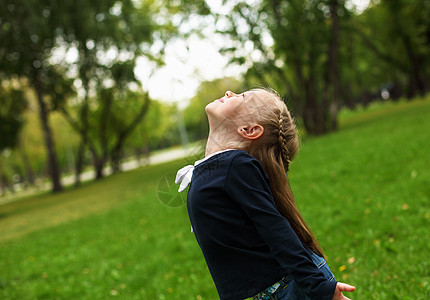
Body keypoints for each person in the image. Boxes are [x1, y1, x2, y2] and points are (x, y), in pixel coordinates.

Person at [175, 89, 356, 300]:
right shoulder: (217, 169)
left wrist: (319, 287)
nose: (230, 92)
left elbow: (274, 227)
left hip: (290, 288)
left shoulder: (235, 165)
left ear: (249, 130)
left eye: (243, 97)